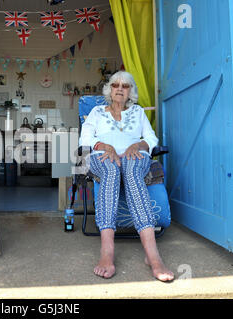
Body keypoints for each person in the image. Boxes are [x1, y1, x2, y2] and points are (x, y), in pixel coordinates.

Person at [79, 71, 174, 282]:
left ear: (131, 91)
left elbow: (150, 137)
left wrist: (138, 144)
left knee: (131, 172)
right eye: (115, 85)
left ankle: (153, 256)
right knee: (112, 170)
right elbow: (85, 137)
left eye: (125, 85)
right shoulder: (96, 112)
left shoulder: (138, 112)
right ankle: (107, 253)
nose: (120, 88)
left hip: (135, 155)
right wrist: (105, 146)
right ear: (109, 89)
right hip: (102, 155)